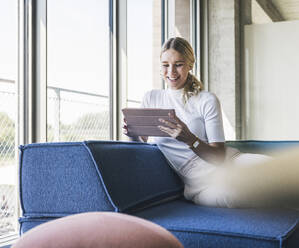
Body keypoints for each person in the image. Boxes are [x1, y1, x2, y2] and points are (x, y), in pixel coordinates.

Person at [123, 37, 299, 209]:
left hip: (231, 164)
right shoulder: (152, 98)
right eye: (165, 65)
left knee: (284, 175)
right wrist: (132, 134)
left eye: (178, 64)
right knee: (242, 193)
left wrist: (189, 138)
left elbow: (219, 157)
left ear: (190, 65)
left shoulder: (206, 100)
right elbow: (140, 147)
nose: (171, 72)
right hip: (201, 185)